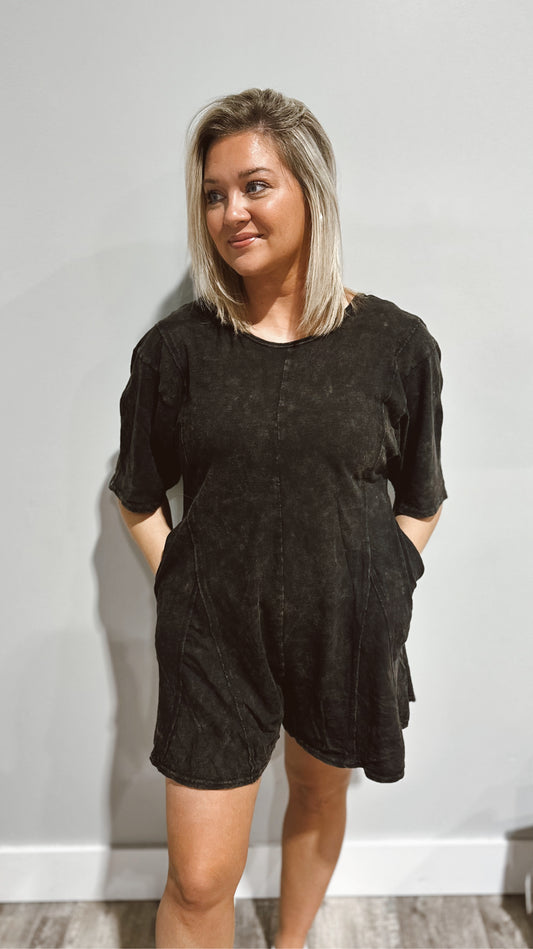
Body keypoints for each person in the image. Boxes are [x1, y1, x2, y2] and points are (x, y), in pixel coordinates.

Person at [109, 87, 447, 949]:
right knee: (197, 879)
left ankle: (290, 943)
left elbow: (421, 494)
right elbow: (137, 493)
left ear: (309, 190)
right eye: (213, 194)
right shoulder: (177, 351)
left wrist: (387, 581)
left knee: (320, 789)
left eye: (254, 186)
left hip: (346, 623)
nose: (231, 212)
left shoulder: (395, 344)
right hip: (214, 639)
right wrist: (184, 585)